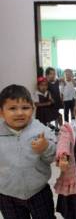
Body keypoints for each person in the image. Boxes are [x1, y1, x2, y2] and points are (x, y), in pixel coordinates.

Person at [0, 84, 56, 219]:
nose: (20, 113)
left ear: (33, 108)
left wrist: (45, 147)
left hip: (39, 191)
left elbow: (53, 157)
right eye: (12, 108)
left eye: (25, 108)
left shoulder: (41, 130)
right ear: (1, 112)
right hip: (7, 194)